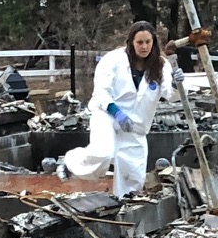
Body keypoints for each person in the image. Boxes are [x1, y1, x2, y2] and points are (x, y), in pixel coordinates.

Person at [65, 22, 209, 197]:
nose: (144, 46)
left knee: (133, 179)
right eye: (139, 42)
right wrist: (116, 112)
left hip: (136, 127)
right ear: (131, 42)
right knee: (103, 154)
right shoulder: (113, 60)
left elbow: (170, 95)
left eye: (148, 42)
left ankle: (123, 209)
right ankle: (70, 163)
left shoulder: (161, 65)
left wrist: (176, 84)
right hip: (108, 116)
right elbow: (101, 92)